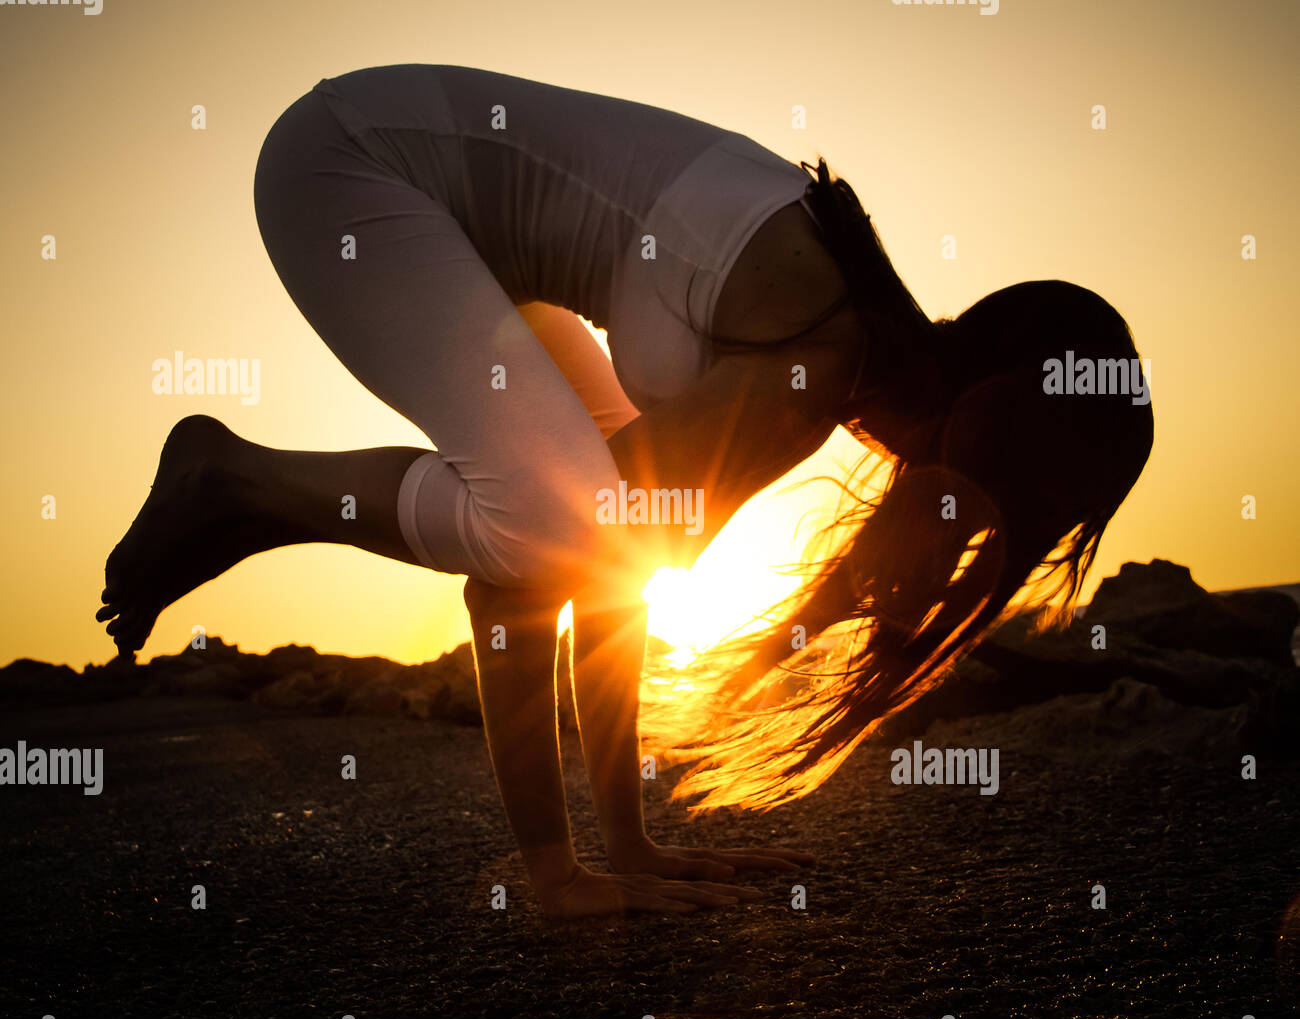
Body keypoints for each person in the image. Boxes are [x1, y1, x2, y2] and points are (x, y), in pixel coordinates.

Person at [98, 65, 1153, 917]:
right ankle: (229, 474)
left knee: (587, 528)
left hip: (446, 211)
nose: (966, 552)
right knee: (544, 527)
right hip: (354, 167)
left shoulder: (840, 352)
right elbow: (516, 588)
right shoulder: (818, 358)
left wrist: (631, 848)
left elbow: (619, 578)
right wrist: (553, 872)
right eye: (1002, 521)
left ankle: (601, 845)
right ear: (995, 442)